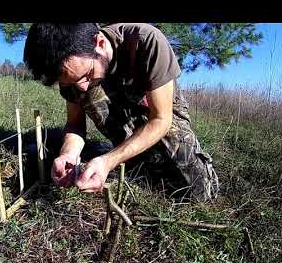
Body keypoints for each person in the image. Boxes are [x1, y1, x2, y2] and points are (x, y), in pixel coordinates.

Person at [23, 23, 219, 202]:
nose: (81, 88)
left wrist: (109, 161)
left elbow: (161, 119)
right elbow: (75, 124)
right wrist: (68, 154)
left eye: (87, 74)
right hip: (123, 128)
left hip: (160, 119)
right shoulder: (74, 74)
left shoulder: (147, 41)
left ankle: (113, 155)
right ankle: (123, 157)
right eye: (71, 83)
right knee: (143, 175)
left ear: (99, 43)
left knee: (199, 192)